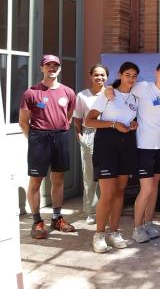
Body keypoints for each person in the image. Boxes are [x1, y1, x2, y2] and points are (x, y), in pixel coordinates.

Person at [19, 55, 77, 239]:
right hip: (39, 137)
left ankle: (56, 217)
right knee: (36, 180)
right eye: (48, 65)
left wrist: (59, 129)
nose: (52, 68)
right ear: (41, 68)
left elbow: (68, 116)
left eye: (55, 65)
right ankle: (37, 221)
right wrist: (35, 139)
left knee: (58, 178)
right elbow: (23, 122)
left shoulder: (68, 92)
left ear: (59, 68)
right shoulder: (31, 92)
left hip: (60, 136)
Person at [85, 61, 140, 253]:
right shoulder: (107, 94)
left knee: (119, 191)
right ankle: (99, 234)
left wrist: (133, 124)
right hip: (106, 144)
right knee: (107, 193)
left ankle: (114, 232)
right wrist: (114, 124)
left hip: (127, 144)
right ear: (119, 74)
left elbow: (131, 118)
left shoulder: (135, 97)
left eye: (134, 76)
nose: (131, 79)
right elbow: (88, 120)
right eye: (127, 75)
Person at [130, 61, 160, 243]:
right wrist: (109, 89)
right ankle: (137, 228)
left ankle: (148, 223)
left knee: (155, 185)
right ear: (156, 72)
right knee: (146, 188)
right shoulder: (143, 87)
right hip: (144, 146)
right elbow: (122, 91)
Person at [73, 63, 109, 225]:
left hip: (108, 135)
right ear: (90, 76)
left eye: (102, 75)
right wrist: (79, 136)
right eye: (96, 74)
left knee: (107, 174)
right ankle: (91, 211)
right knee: (89, 175)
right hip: (89, 135)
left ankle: (106, 208)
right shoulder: (82, 95)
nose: (99, 77)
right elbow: (77, 118)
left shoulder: (111, 94)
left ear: (107, 77)